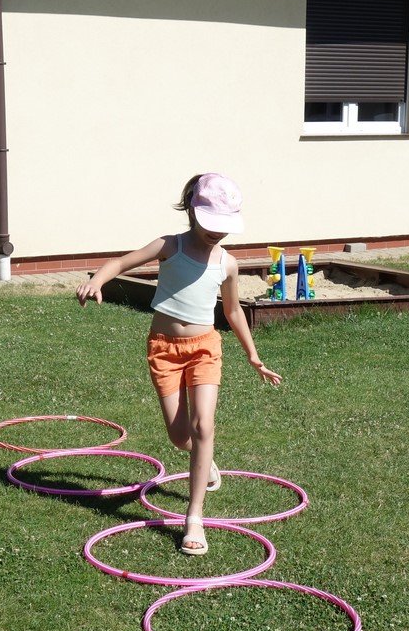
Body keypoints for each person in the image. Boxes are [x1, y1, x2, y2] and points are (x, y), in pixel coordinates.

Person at [76, 173, 282, 555]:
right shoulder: (170, 246)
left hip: (205, 349)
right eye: (211, 223)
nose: (217, 232)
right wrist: (98, 280)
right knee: (179, 437)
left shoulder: (228, 263)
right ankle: (204, 458)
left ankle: (194, 516)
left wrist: (253, 355)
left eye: (223, 226)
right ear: (191, 211)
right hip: (164, 349)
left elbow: (233, 311)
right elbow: (121, 261)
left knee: (205, 425)